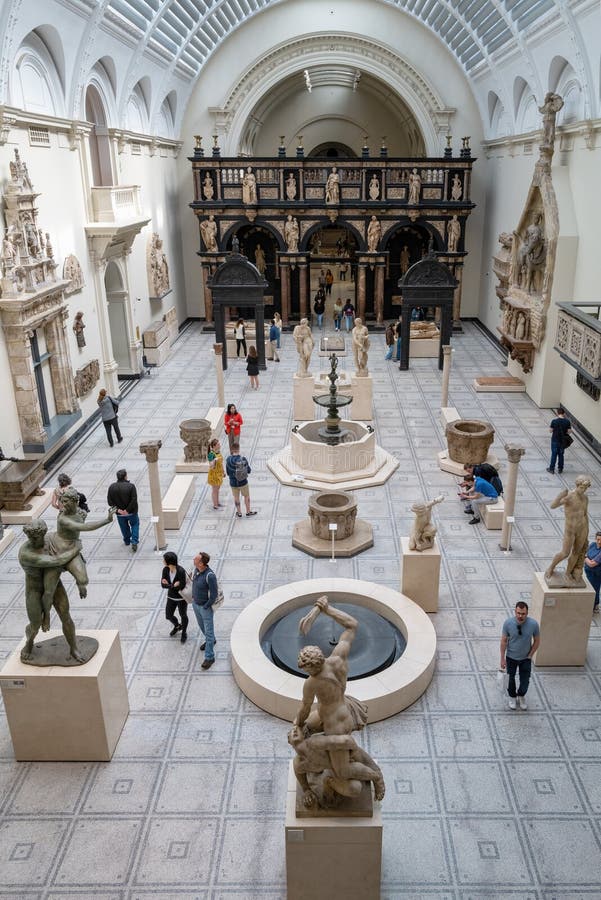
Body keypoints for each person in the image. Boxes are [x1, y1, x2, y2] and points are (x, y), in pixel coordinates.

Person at [293, 597, 383, 803]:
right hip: (343, 707)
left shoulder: (312, 682)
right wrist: (327, 609)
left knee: (342, 771)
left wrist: (296, 722)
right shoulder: (337, 658)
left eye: (305, 669)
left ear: (310, 669)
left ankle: (376, 776)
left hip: (336, 725)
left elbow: (305, 708)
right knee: (308, 727)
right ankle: (316, 763)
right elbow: (352, 625)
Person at [40, 488, 115, 632]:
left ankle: (79, 582)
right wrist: (107, 520)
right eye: (62, 501)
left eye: (66, 501)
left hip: (72, 548)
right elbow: (84, 527)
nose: (62, 504)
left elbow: (81, 524)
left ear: (75, 502)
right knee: (49, 591)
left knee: (83, 579)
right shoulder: (63, 518)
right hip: (56, 550)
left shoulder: (80, 512)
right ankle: (47, 615)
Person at [19, 520, 85, 662]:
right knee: (35, 623)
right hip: (35, 589)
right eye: (30, 537)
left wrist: (80, 582)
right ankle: (29, 642)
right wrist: (76, 548)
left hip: (54, 585)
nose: (33, 540)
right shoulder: (25, 553)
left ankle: (73, 648)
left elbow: (70, 557)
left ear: (43, 534)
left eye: (36, 537)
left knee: (65, 615)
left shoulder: (50, 539)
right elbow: (57, 561)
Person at [545, 475, 592, 585]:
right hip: (570, 531)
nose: (583, 490)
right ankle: (551, 567)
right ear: (577, 485)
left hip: (583, 528)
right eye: (582, 487)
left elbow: (585, 515)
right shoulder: (569, 496)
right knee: (565, 553)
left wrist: (587, 530)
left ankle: (568, 572)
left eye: (585, 488)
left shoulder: (585, 498)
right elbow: (553, 506)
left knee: (576, 552)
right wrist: (560, 496)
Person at [500, 602, 540, 710]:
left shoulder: (533, 624)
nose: (520, 616)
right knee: (510, 679)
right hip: (511, 657)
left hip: (525, 658)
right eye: (518, 613)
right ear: (515, 612)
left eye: (523, 613)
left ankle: (521, 695)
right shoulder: (508, 623)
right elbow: (503, 641)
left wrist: (530, 655)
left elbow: (537, 640)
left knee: (525, 680)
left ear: (527, 613)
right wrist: (502, 658)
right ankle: (512, 697)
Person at [191, 551, 219, 669]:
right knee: (202, 626)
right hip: (196, 604)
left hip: (205, 607)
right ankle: (211, 641)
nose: (193, 560)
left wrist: (206, 606)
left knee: (208, 631)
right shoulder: (196, 571)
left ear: (201, 563)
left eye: (196, 559)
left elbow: (214, 594)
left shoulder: (210, 576)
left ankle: (209, 657)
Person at [107, 468, 139, 551]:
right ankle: (134, 541)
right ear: (125, 476)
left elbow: (110, 502)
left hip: (120, 514)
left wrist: (118, 510)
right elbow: (134, 499)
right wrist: (127, 510)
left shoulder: (112, 487)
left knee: (124, 527)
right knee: (135, 525)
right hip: (131, 512)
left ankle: (127, 541)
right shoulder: (131, 486)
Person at [161, 551, 188, 643]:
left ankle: (184, 632)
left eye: (164, 559)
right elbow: (163, 585)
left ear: (169, 561)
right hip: (171, 597)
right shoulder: (165, 570)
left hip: (181, 598)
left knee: (183, 615)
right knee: (168, 615)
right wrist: (173, 585)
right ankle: (177, 626)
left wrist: (169, 585)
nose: (163, 561)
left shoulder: (180, 571)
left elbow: (182, 585)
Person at [226, 441, 257, 518]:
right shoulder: (243, 459)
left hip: (233, 483)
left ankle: (239, 512)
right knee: (246, 496)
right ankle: (248, 511)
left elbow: (227, 473)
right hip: (243, 482)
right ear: (238, 449)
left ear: (232, 450)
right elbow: (249, 470)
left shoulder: (228, 460)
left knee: (236, 498)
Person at [547, 407, 571, 474]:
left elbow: (550, 431)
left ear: (557, 413)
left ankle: (551, 469)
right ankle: (560, 469)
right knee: (561, 455)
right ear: (564, 413)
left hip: (555, 440)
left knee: (554, 454)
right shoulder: (567, 421)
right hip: (562, 441)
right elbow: (569, 432)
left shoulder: (554, 421)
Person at [584, 531, 601, 613]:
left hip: (596, 574)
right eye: (598, 539)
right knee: (589, 588)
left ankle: (594, 606)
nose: (599, 542)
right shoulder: (593, 545)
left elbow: (592, 564)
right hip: (588, 572)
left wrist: (585, 558)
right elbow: (584, 552)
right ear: (595, 539)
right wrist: (586, 557)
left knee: (595, 589)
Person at [207, 437, 224, 509]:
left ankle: (217, 502)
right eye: (218, 444)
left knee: (218, 489)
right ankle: (215, 504)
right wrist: (214, 460)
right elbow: (211, 465)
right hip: (214, 474)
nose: (219, 445)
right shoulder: (211, 454)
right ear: (214, 446)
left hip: (219, 473)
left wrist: (223, 471)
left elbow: (221, 463)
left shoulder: (218, 452)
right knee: (215, 490)